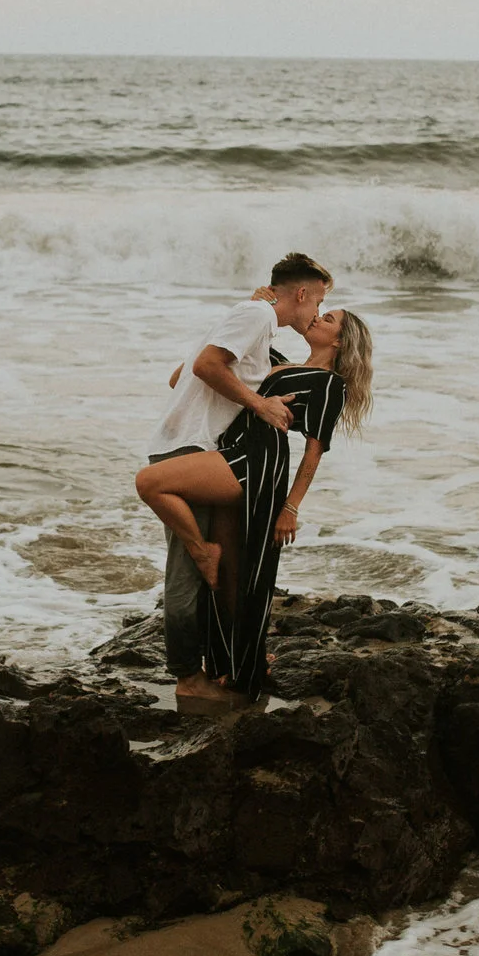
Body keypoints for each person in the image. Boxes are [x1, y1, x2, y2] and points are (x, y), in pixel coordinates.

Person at [137, 295, 373, 708]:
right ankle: (231, 664)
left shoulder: (330, 385)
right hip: (225, 455)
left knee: (248, 573)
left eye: (329, 317)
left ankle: (245, 665)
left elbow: (315, 450)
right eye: (321, 308)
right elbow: (182, 379)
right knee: (231, 571)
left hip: (259, 466)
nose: (319, 315)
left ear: (339, 341)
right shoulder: (271, 355)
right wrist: (236, 320)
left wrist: (291, 507)